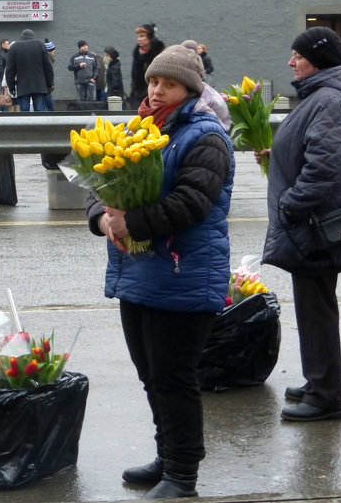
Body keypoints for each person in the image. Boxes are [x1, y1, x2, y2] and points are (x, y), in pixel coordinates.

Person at [85, 42, 234, 498]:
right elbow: (101, 183)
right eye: (153, 81)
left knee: (174, 378)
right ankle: (167, 455)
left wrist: (131, 221)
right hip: (139, 272)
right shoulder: (137, 128)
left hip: (184, 273)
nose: (158, 90)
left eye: (168, 84)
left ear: (189, 89)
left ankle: (182, 474)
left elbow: (191, 202)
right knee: (151, 374)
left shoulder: (206, 136)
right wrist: (102, 218)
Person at [260, 27, 341, 422]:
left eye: (297, 56)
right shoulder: (322, 98)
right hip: (311, 222)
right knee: (313, 308)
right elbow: (314, 149)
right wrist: (280, 153)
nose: (291, 62)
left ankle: (326, 396)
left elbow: (326, 168)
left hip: (314, 223)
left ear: (317, 60)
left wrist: (291, 201)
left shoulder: (328, 101)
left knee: (317, 310)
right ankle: (317, 380)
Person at [5, 28, 54, 112]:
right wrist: (50, 83)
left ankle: (26, 125)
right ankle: (39, 125)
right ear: (32, 36)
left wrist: (11, 87)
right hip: (39, 85)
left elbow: (10, 70)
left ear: (22, 36)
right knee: (39, 110)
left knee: (24, 111)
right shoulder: (40, 44)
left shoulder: (14, 47)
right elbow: (48, 66)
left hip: (22, 85)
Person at [128, 24, 166, 109]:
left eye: (142, 36)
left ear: (149, 37)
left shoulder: (157, 51)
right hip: (138, 90)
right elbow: (134, 74)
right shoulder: (137, 53)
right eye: (138, 37)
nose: (139, 39)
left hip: (154, 89)